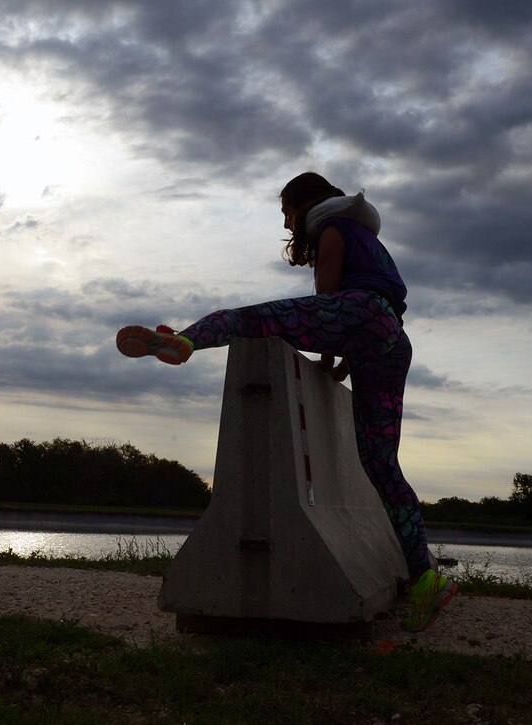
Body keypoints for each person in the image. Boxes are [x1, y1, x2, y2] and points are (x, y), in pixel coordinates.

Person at [116, 171, 456, 632]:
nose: (286, 223)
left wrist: (330, 347)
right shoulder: (369, 239)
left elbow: (329, 301)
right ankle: (424, 576)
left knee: (250, 319)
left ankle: (185, 340)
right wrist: (340, 364)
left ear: (303, 205)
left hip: (355, 314)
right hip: (391, 341)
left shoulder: (330, 228)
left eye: (285, 212)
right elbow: (377, 314)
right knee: (382, 466)